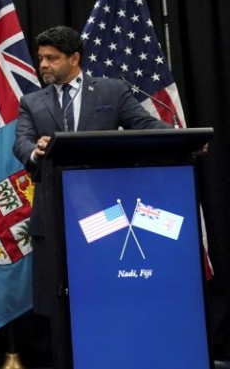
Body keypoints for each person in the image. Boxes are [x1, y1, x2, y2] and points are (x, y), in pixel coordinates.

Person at [12, 25, 170, 368]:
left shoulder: (111, 91)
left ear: (75, 58)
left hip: (105, 216)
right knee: (59, 304)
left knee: (104, 294)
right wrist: (37, 152)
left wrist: (182, 136)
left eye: (52, 59)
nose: (44, 65)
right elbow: (21, 143)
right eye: (41, 59)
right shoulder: (32, 101)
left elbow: (143, 125)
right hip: (53, 217)